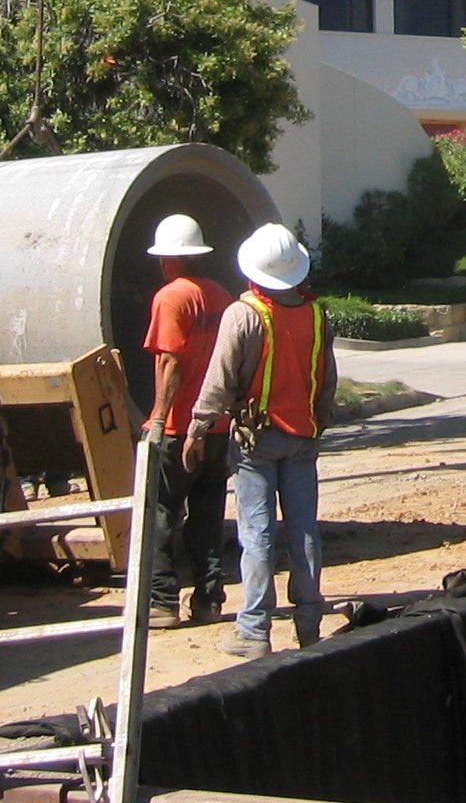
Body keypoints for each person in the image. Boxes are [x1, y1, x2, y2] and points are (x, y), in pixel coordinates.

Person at [186, 222, 336, 659]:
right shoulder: (316, 313)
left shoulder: (244, 314)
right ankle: (309, 623)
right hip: (303, 437)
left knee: (258, 534)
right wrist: (319, 420)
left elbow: (219, 380)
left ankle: (253, 629)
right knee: (304, 531)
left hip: (256, 441)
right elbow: (327, 378)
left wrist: (198, 428)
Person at [141, 213, 233, 630]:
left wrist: (159, 416)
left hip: (180, 429)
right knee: (207, 514)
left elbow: (171, 362)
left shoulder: (170, 298)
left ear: (168, 260)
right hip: (216, 427)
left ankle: (162, 602)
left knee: (162, 513)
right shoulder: (221, 297)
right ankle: (209, 599)